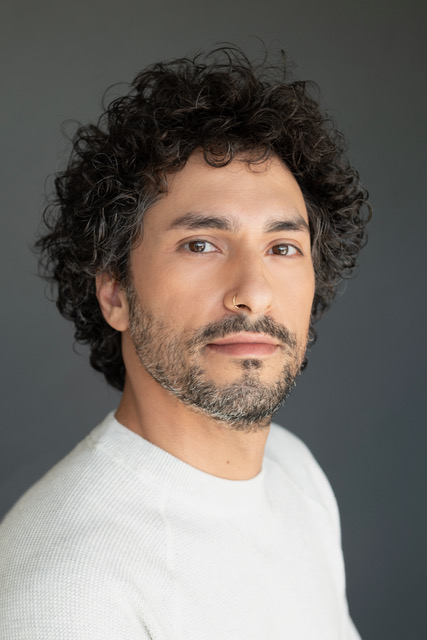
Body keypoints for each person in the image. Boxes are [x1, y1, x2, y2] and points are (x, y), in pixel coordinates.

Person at [0, 46, 370, 639]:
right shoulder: (65, 590)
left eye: (282, 247)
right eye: (201, 244)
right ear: (115, 293)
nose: (254, 293)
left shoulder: (294, 471)